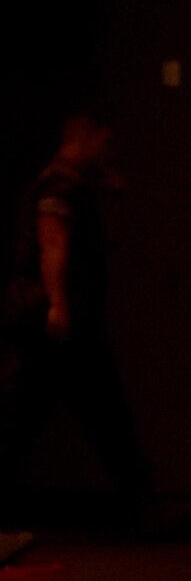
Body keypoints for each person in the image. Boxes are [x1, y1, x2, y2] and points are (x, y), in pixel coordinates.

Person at [1, 109, 152, 520]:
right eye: (104, 141)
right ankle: (145, 505)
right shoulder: (60, 185)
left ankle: (145, 503)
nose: (108, 150)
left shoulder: (73, 184)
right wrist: (58, 306)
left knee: (29, 416)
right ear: (86, 137)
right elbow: (53, 244)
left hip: (56, 320)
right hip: (51, 320)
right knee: (33, 416)